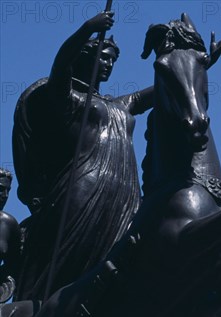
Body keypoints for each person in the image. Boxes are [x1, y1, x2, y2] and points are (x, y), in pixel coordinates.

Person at [12, 11, 153, 301]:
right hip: (83, 192)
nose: (108, 65)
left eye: (113, 60)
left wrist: (195, 65)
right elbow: (60, 65)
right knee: (68, 264)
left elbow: (150, 95)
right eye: (103, 57)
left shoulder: (118, 104)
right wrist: (87, 29)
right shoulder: (68, 99)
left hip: (124, 195)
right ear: (84, 56)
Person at [0, 169, 20, 303]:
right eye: (1, 189)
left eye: (9, 190)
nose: (5, 195)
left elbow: (14, 266)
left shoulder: (8, 224)